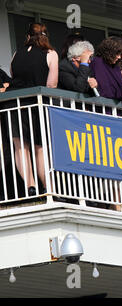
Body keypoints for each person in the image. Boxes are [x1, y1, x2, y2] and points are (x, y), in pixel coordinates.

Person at [4, 23, 58, 196]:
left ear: (28, 37)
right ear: (45, 37)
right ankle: (47, 186)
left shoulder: (16, 54)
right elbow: (52, 84)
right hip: (36, 102)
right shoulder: (50, 54)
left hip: (13, 102)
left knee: (20, 147)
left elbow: (14, 76)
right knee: (39, 148)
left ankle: (30, 185)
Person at [89, 37, 122, 102]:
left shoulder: (116, 67)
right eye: (117, 53)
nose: (119, 57)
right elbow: (105, 91)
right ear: (109, 51)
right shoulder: (98, 62)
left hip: (116, 108)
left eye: (120, 54)